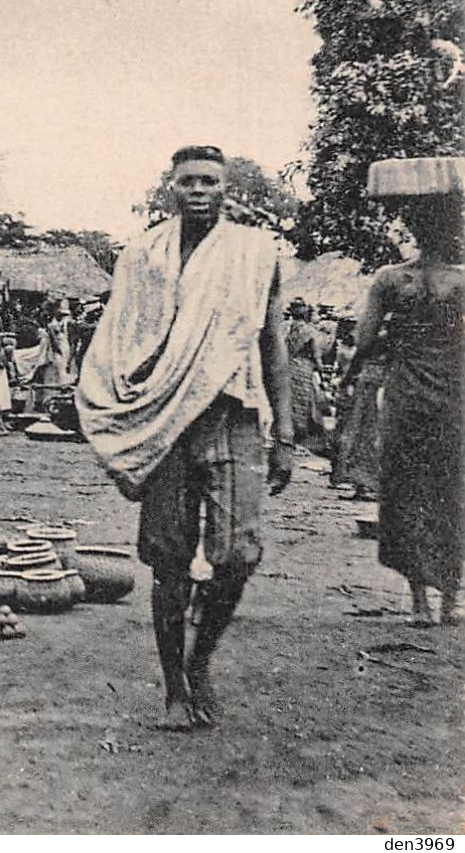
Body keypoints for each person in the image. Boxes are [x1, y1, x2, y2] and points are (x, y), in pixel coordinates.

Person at [77, 145, 292, 732]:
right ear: (171, 188)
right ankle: (175, 688)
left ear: (226, 189)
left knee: (238, 555)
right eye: (188, 181)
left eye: (210, 181)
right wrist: (125, 406)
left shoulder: (255, 253)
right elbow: (122, 333)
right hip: (165, 422)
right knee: (168, 561)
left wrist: (288, 432)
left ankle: (200, 662)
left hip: (232, 416)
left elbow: (272, 341)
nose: (199, 190)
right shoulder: (144, 254)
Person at [347, 164, 463, 627]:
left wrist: (392, 343)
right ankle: (451, 598)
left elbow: (364, 339)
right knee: (450, 492)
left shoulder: (392, 280)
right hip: (453, 398)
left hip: (408, 396)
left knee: (408, 491)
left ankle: (421, 601)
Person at [333, 318, 382, 501]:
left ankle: (366, 485)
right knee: (367, 435)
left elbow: (358, 359)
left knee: (363, 435)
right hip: (380, 386)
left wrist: (346, 382)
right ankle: (366, 485)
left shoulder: (373, 338)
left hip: (370, 385)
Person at [284, 297, 327, 454]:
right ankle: (299, 437)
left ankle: (288, 435)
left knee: (290, 400)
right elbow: (317, 356)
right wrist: (322, 376)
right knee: (302, 402)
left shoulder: (285, 327)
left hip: (288, 365)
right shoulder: (310, 331)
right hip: (303, 369)